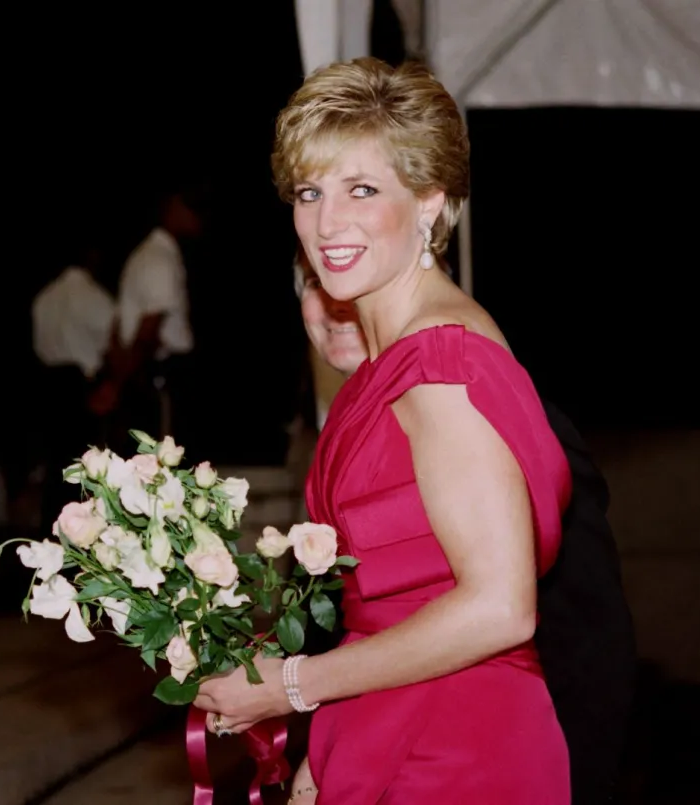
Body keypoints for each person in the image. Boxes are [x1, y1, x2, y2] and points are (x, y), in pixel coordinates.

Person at [195, 57, 571, 803]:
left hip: (457, 742)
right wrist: (329, 745)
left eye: (362, 189)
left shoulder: (441, 362)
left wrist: (291, 685)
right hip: (389, 713)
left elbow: (501, 607)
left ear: (430, 202)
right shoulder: (389, 361)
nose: (327, 222)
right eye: (310, 192)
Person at [291, 250, 637, 803]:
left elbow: (587, 621)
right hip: (369, 733)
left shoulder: (482, 405)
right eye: (315, 281)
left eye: (359, 279)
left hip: (479, 748)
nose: (336, 302)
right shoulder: (342, 436)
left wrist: (581, 776)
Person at [104, 186, 203, 443]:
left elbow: (117, 325)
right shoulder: (159, 258)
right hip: (159, 372)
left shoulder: (146, 254)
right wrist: (118, 383)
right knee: (165, 453)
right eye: (192, 207)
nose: (199, 216)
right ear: (172, 208)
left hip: (143, 369)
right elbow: (149, 328)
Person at [32, 242, 116, 522]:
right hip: (81, 385)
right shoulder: (93, 296)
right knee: (85, 464)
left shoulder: (44, 298)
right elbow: (114, 339)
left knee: (56, 463)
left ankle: (53, 525)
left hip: (50, 385)